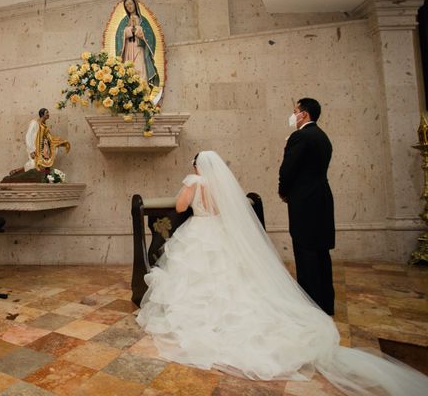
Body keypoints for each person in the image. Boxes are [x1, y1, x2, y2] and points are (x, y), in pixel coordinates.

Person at [137, 151, 427, 396]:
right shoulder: (221, 185)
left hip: (200, 231)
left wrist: (187, 189)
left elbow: (180, 206)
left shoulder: (195, 180)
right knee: (233, 280)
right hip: (220, 232)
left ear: (196, 166)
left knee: (196, 277)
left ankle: (204, 319)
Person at [279, 98, 335, 315]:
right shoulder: (323, 137)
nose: (293, 115)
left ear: (304, 114)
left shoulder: (300, 136)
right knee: (321, 251)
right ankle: (326, 303)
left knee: (305, 251)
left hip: (304, 201)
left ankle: (310, 304)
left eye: (295, 111)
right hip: (322, 197)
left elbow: (288, 169)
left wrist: (284, 191)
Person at [115, 0, 159, 87]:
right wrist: (129, 31)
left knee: (140, 69)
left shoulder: (143, 20)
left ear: (135, 4)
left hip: (139, 48)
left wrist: (139, 30)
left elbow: (151, 36)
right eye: (127, 6)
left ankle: (143, 91)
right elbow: (118, 36)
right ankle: (132, 93)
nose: (129, 7)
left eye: (130, 4)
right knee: (129, 71)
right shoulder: (123, 22)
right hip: (127, 49)